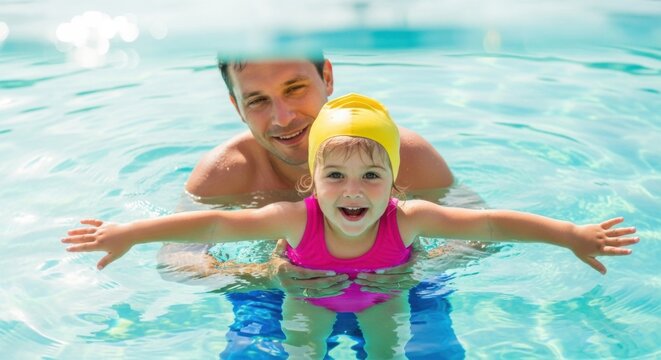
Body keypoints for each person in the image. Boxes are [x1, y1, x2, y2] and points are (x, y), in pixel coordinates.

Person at [62, 93, 639, 358]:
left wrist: (570, 235)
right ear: (312, 181)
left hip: (385, 295)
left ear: (395, 183)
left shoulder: (409, 220)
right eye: (335, 174)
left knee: (389, 347)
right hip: (307, 299)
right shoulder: (295, 217)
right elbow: (212, 226)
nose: (353, 190)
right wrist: (128, 234)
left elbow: (488, 224)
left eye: (370, 176)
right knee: (302, 348)